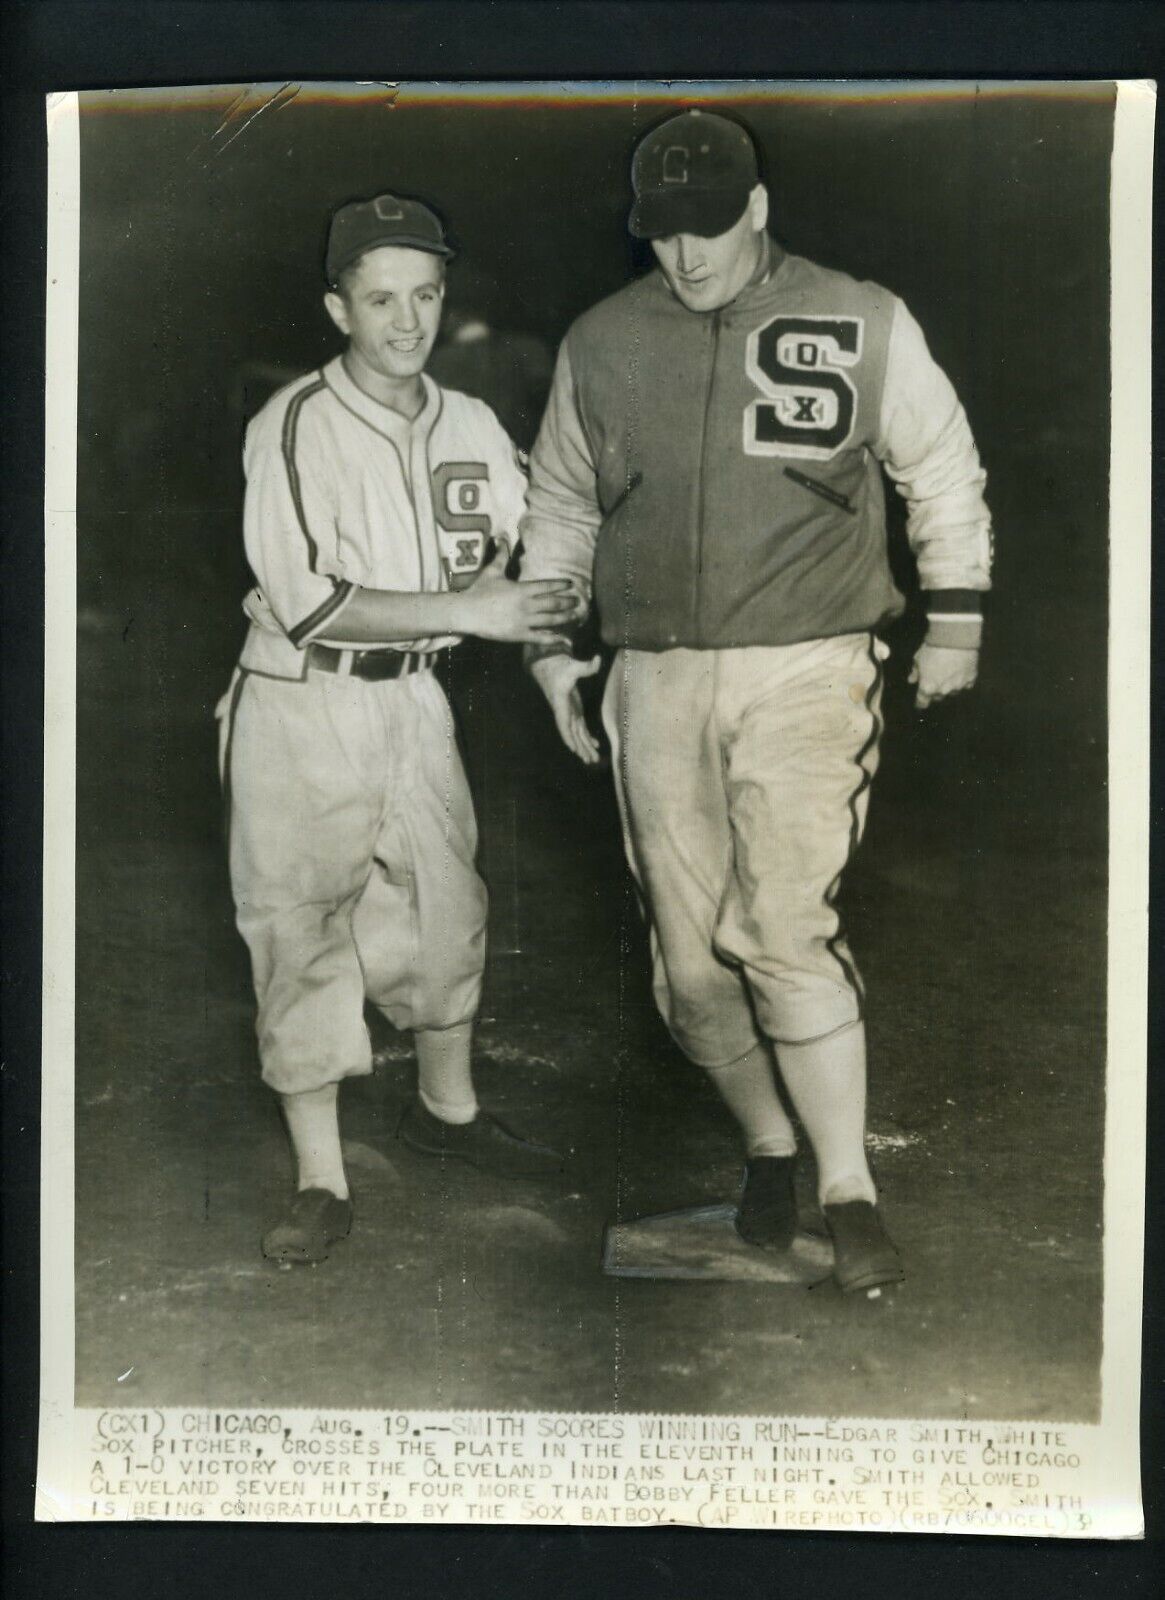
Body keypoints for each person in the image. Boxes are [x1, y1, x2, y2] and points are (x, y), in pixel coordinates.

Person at [520, 110, 992, 1294]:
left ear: (759, 209)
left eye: (709, 228)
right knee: (689, 973)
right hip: (654, 669)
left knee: (778, 932)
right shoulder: (599, 339)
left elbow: (936, 462)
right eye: (662, 234)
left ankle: (850, 1190)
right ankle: (770, 1150)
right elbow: (560, 507)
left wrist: (958, 616)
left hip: (808, 660)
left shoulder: (859, 312)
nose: (684, 256)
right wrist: (547, 650)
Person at [217, 193, 581, 1266]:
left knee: (445, 905)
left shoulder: (470, 421)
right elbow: (309, 599)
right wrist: (477, 612)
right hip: (301, 694)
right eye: (380, 298)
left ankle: (446, 1115)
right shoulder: (290, 422)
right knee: (300, 923)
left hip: (416, 696)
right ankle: (321, 1176)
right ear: (338, 307)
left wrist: (556, 668)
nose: (407, 320)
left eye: (424, 295)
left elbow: (531, 574)